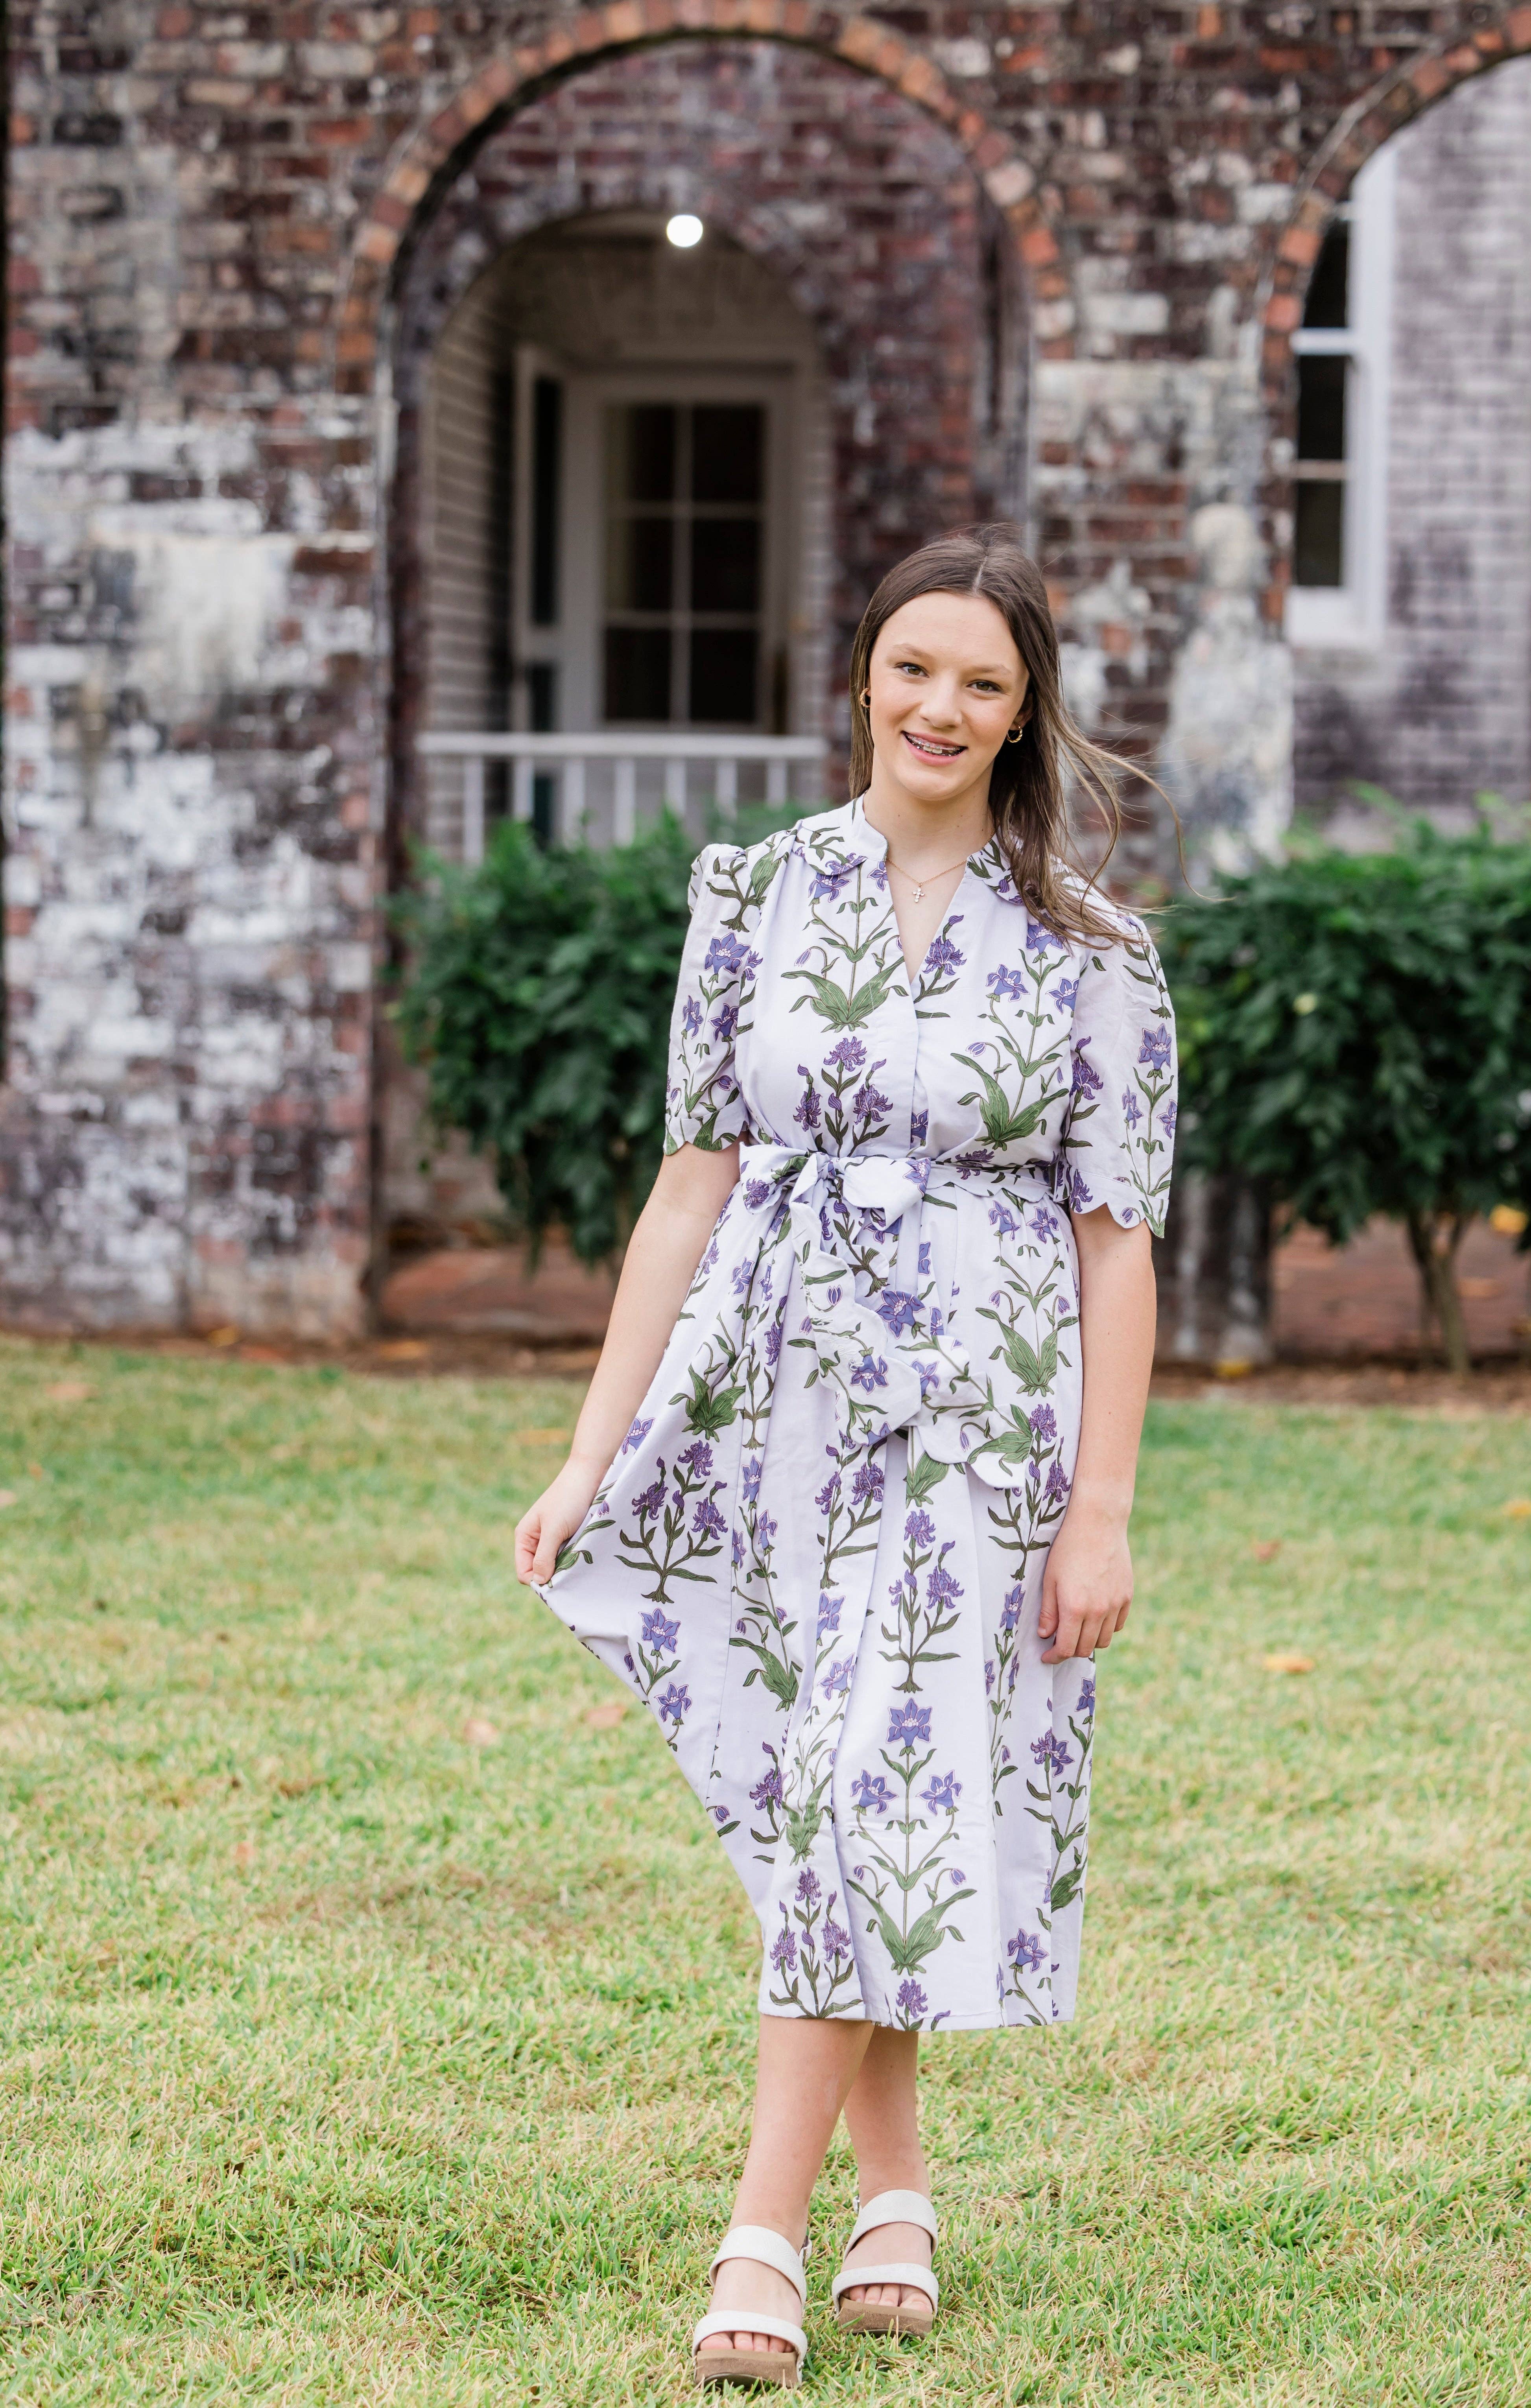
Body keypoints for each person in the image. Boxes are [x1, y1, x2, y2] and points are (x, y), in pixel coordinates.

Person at [515, 526, 1177, 2390]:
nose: (938, 708)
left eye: (982, 681)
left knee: (865, 1782)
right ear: (863, 673)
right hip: (768, 1407)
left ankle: (761, 2235)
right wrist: (591, 1447)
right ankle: (897, 2186)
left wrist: (1103, 1509)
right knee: (829, 1797)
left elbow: (1117, 1243)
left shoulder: (1092, 950)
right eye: (913, 668)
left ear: (1025, 710)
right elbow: (688, 1183)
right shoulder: (754, 890)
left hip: (975, 1425)